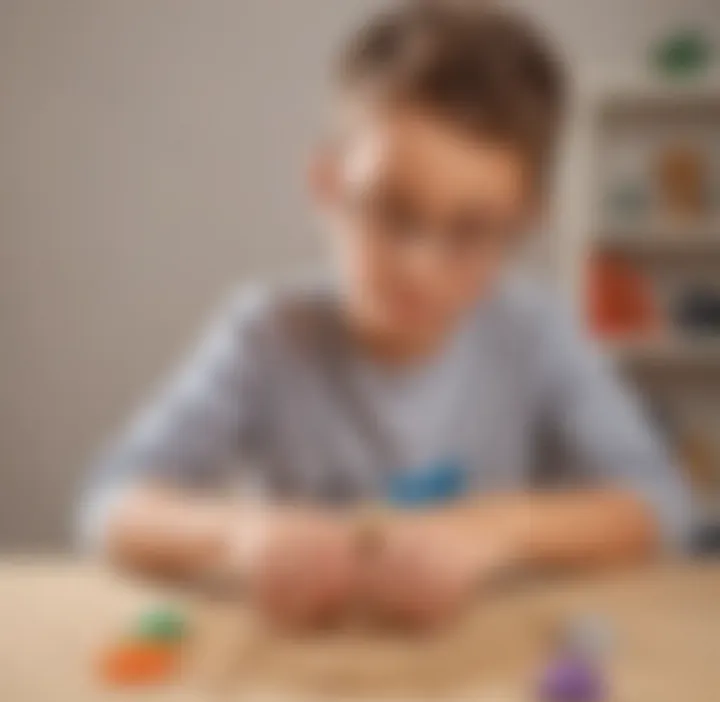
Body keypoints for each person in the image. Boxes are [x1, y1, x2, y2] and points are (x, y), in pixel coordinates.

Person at [81, 1, 692, 631]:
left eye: (472, 230)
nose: (420, 267)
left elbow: (660, 509)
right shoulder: (264, 332)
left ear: (526, 221)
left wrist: (490, 532)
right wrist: (242, 533)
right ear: (327, 186)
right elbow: (113, 504)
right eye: (391, 212)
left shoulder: (536, 335)